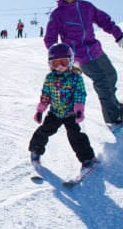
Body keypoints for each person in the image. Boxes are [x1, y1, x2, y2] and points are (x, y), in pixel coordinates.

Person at [44, 0, 123, 125]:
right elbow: (50, 38)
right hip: (79, 57)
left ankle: (114, 104)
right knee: (102, 81)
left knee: (111, 75)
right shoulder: (58, 14)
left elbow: (104, 20)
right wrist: (57, 55)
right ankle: (112, 116)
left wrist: (118, 34)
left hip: (95, 50)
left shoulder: (86, 7)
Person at [29, 43, 96, 171]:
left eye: (63, 62)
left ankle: (88, 158)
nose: (59, 67)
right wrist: (40, 110)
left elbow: (80, 94)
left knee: (75, 136)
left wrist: (79, 110)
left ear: (70, 61)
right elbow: (46, 95)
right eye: (55, 63)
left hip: (70, 114)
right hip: (55, 113)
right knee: (43, 131)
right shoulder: (49, 78)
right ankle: (35, 151)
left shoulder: (75, 78)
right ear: (50, 64)